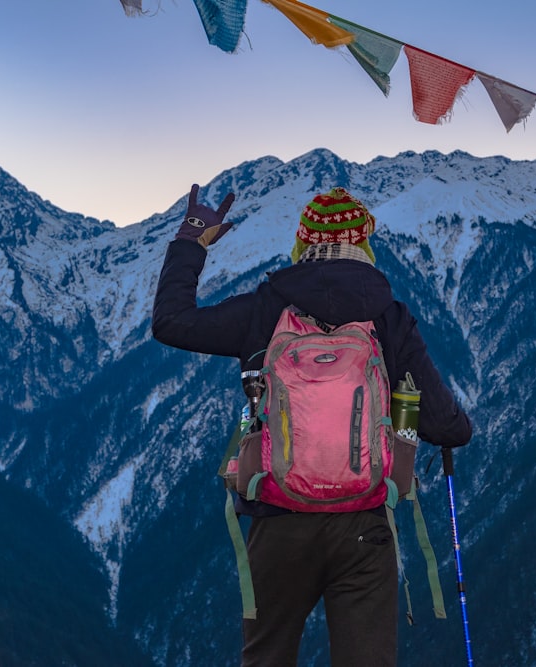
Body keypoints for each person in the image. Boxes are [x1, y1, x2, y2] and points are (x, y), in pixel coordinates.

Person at [151, 184, 472, 667]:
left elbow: (171, 321)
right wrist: (454, 426)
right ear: (363, 246)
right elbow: (445, 425)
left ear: (303, 244)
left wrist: (192, 238)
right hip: (364, 527)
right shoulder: (389, 317)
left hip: (278, 520)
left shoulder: (265, 310)